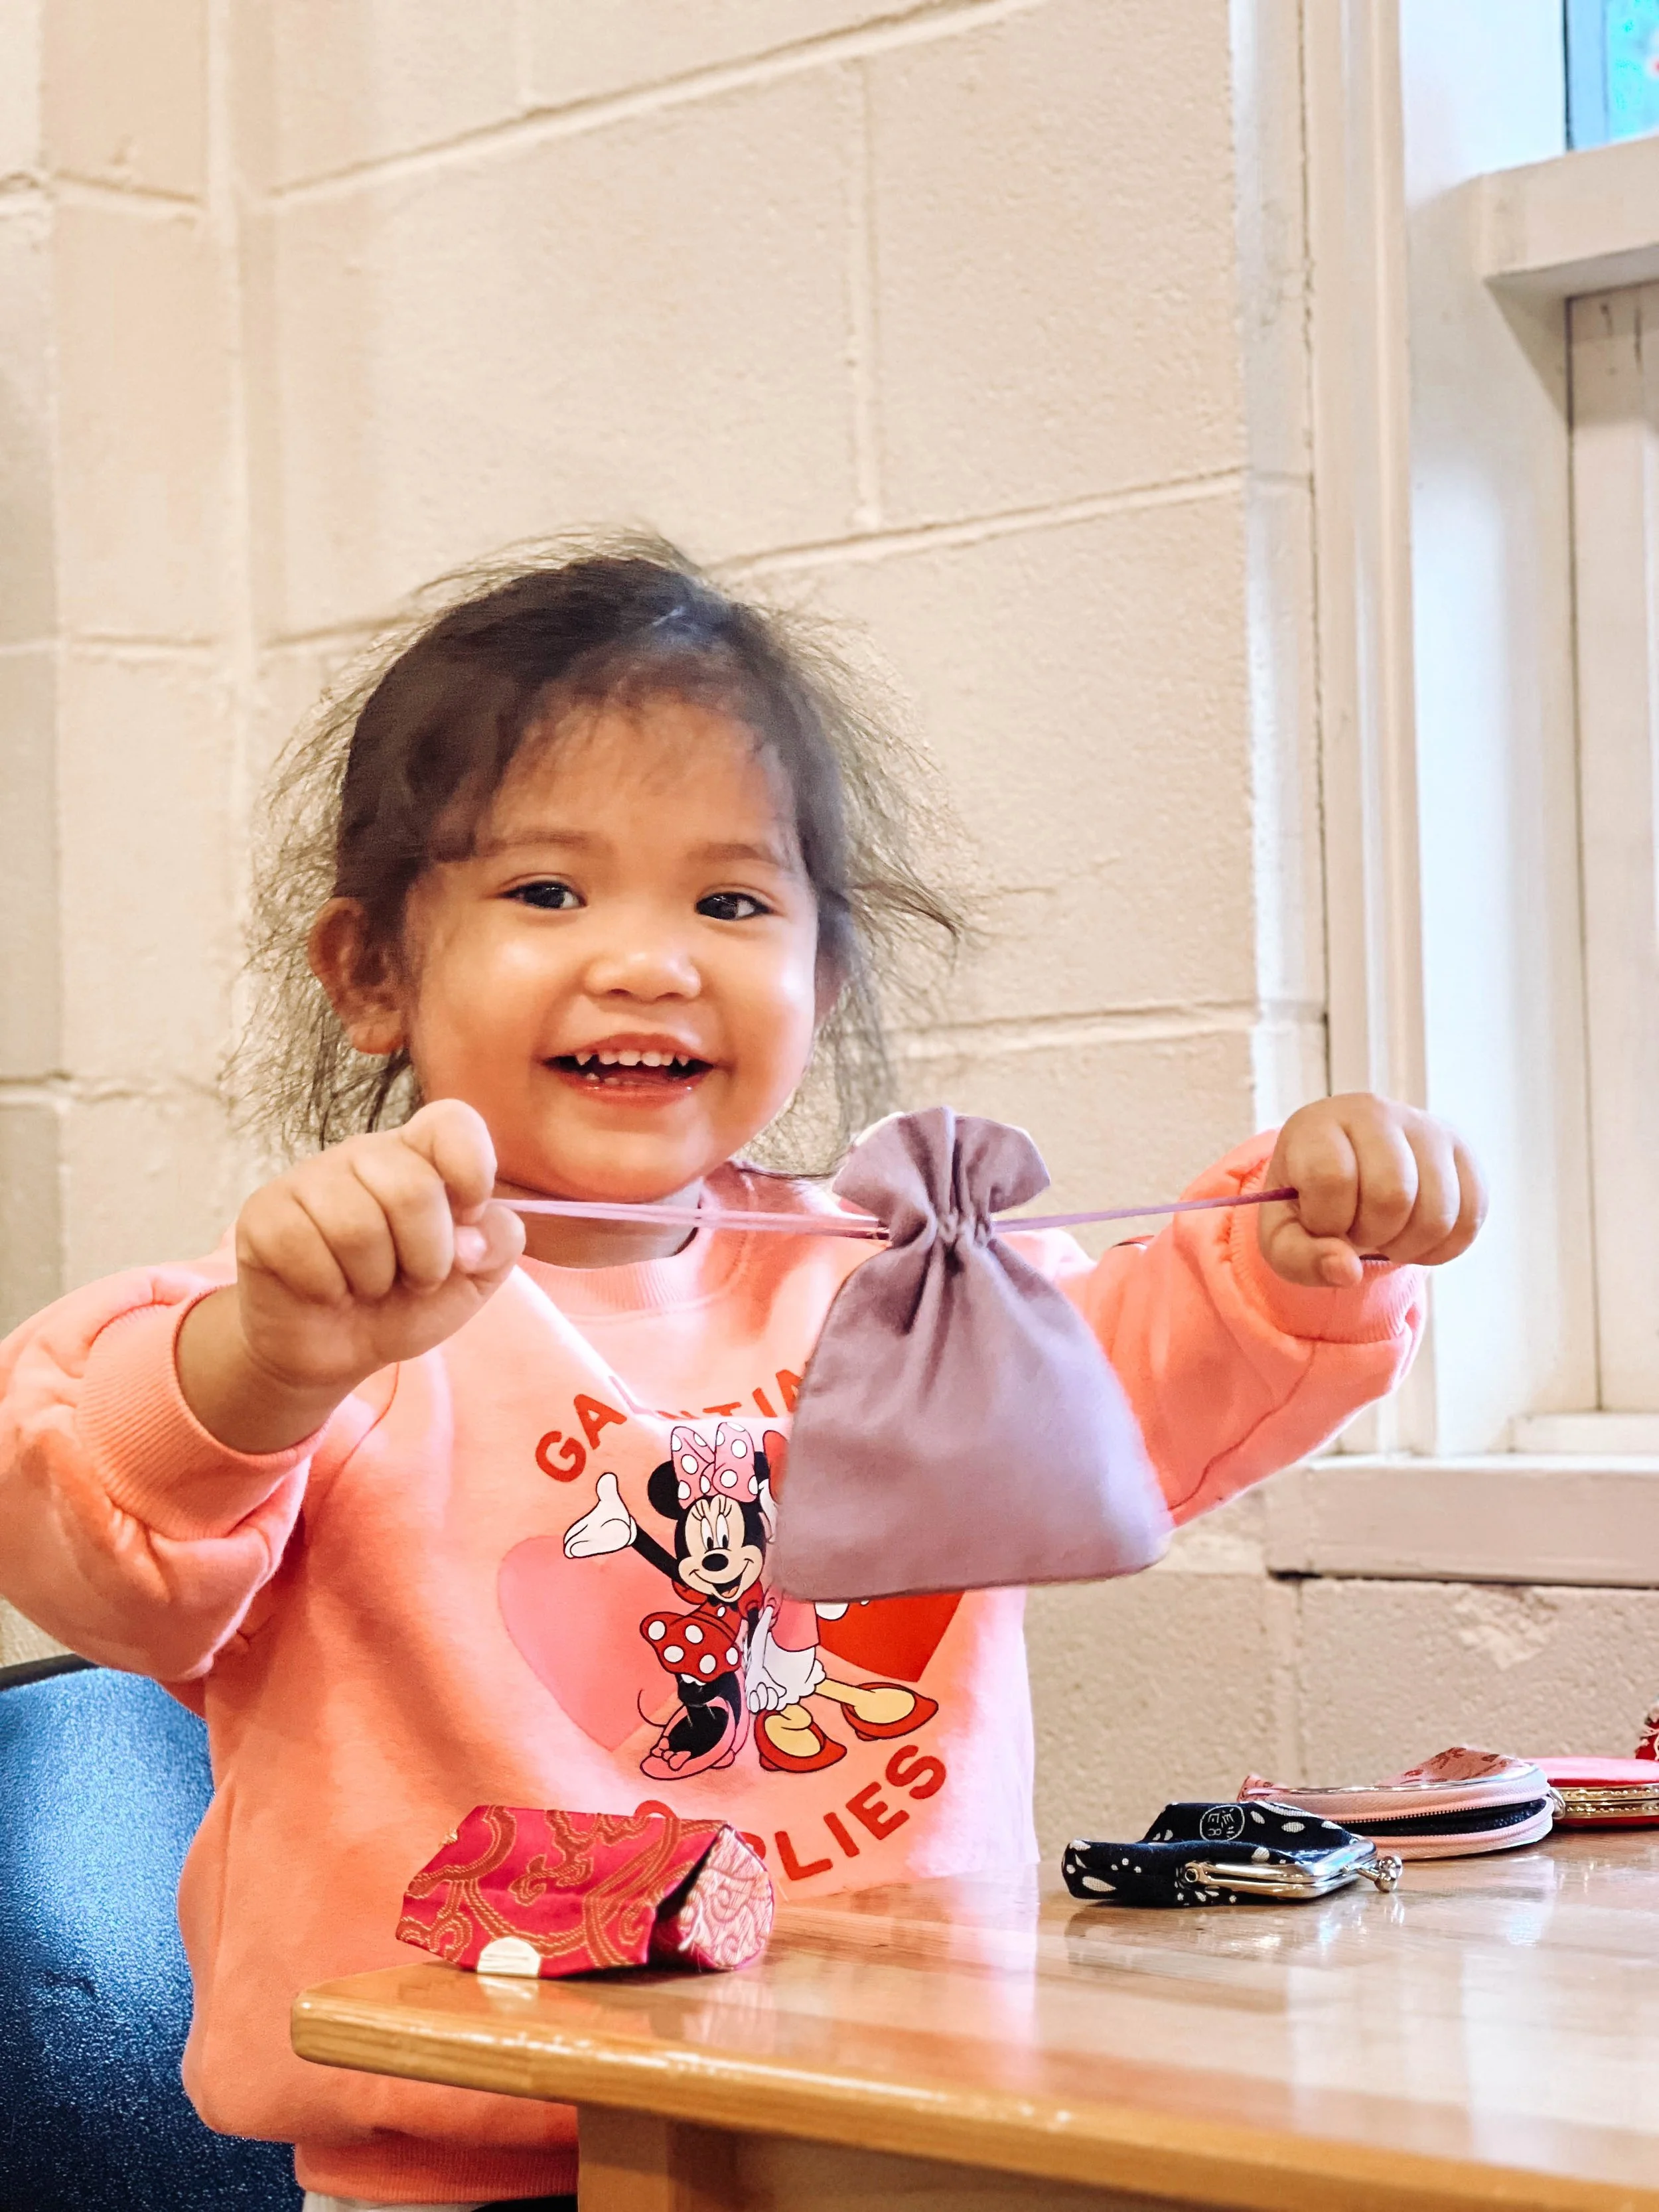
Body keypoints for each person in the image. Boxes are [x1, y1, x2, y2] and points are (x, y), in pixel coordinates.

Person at [0, 539, 1485, 2211]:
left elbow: (1136, 1395)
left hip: (890, 2126)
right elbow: (99, 1546)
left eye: (730, 900)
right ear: (368, 974)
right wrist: (261, 1363)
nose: (651, 959)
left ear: (821, 974)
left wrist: (1302, 1250)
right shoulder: (326, 1311)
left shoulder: (895, 1284)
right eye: (548, 891)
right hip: (477, 2162)